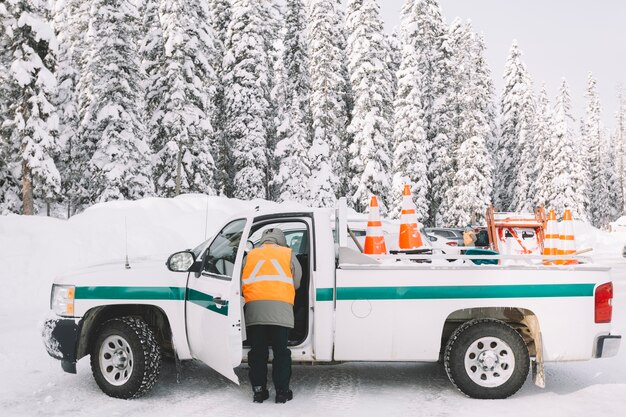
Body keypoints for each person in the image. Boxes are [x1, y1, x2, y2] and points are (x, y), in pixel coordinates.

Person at [242, 227, 302, 404]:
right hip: (281, 310)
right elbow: (297, 282)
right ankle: (282, 393)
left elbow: (240, 280)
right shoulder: (287, 254)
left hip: (254, 309)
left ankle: (259, 392)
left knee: (258, 352)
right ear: (281, 240)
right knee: (281, 352)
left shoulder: (250, 255)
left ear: (263, 239)